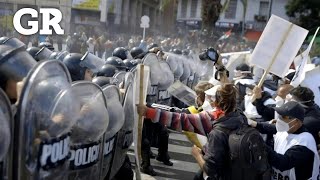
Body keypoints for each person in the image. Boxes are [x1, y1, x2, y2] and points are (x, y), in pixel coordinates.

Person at [138, 84, 246, 179]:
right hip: (237, 167)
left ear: (214, 101)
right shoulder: (239, 115)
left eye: (208, 98)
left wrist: (197, 155)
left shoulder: (211, 119)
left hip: (220, 171)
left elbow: (179, 120)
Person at [249, 101, 320, 180]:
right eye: (280, 115)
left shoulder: (305, 142)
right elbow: (270, 128)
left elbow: (283, 163)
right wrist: (253, 123)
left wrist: (260, 144)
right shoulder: (287, 130)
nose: (279, 119)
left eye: (284, 117)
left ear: (296, 121)